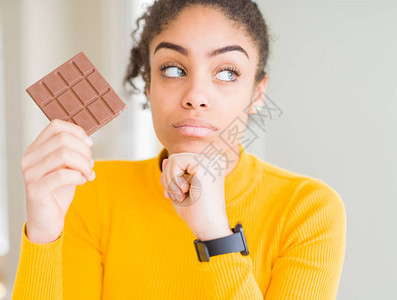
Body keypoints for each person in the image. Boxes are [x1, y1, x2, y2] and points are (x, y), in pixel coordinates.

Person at [12, 0, 346, 299]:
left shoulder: (308, 210)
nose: (195, 95)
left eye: (227, 73)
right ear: (149, 84)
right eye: (173, 70)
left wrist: (215, 235)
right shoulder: (89, 192)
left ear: (257, 93)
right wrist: (43, 233)